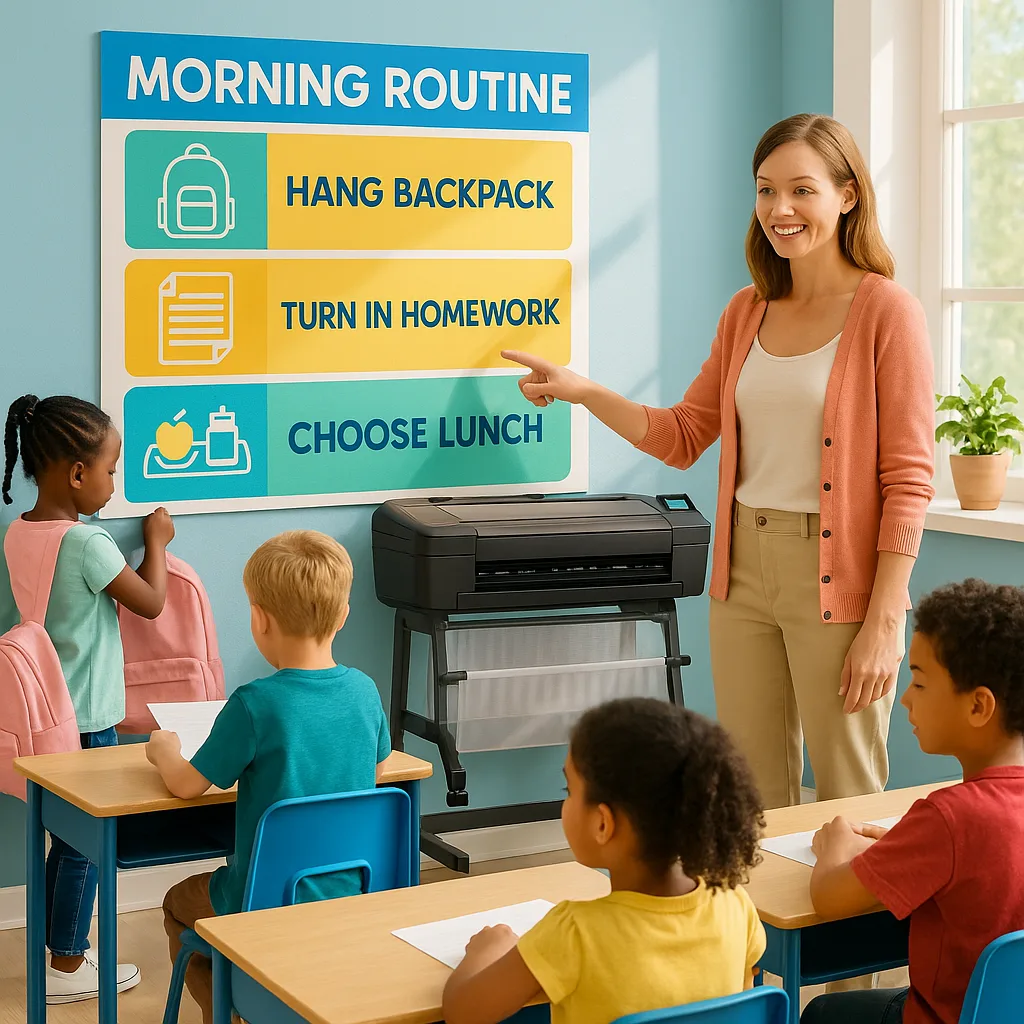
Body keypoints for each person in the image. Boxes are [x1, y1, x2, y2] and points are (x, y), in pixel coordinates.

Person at [503, 113, 935, 810]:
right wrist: (585, 392)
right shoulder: (748, 311)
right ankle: (757, 925)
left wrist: (886, 620)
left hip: (838, 577)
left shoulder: (888, 312)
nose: (780, 209)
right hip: (740, 572)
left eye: (802, 190)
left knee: (848, 792)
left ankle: (849, 924)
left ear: (848, 195)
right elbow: (682, 435)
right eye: (766, 190)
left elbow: (909, 478)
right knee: (746, 795)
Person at [148, 530, 392, 1024]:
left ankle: (230, 1009)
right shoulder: (365, 693)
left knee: (178, 904)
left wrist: (164, 750)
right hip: (352, 891)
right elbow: (378, 771)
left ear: (258, 619)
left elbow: (187, 785)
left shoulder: (255, 704)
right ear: (343, 615)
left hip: (263, 901)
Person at [442, 697, 766, 1024]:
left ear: (602, 824)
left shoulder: (574, 934)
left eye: (568, 789)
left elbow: (461, 1011)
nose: (565, 801)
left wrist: (484, 952)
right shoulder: (733, 903)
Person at [2, 394, 173, 1004]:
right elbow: (151, 602)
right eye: (110, 469)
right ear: (77, 473)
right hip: (88, 723)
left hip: (37, 720)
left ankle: (56, 951)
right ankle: (69, 967)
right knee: (85, 849)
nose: (112, 482)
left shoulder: (15, 534)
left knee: (60, 840)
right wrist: (156, 541)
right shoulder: (88, 544)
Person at [802, 579, 1024, 1024]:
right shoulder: (951, 824)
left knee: (824, 1011)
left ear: (979, 706)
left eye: (919, 684)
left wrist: (835, 848)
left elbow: (829, 898)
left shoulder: (948, 818)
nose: (903, 698)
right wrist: (902, 847)